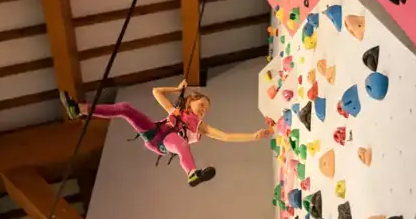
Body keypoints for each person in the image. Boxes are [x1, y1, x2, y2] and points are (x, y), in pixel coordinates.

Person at [62, 80, 272, 187]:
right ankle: (79, 109)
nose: (203, 110)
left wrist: (253, 136)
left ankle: (192, 173)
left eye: (206, 109)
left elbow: (225, 136)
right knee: (125, 108)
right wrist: (177, 89)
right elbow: (156, 92)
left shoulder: (199, 127)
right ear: (190, 101)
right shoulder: (175, 110)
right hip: (153, 133)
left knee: (180, 144)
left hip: (165, 144)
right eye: (201, 105)